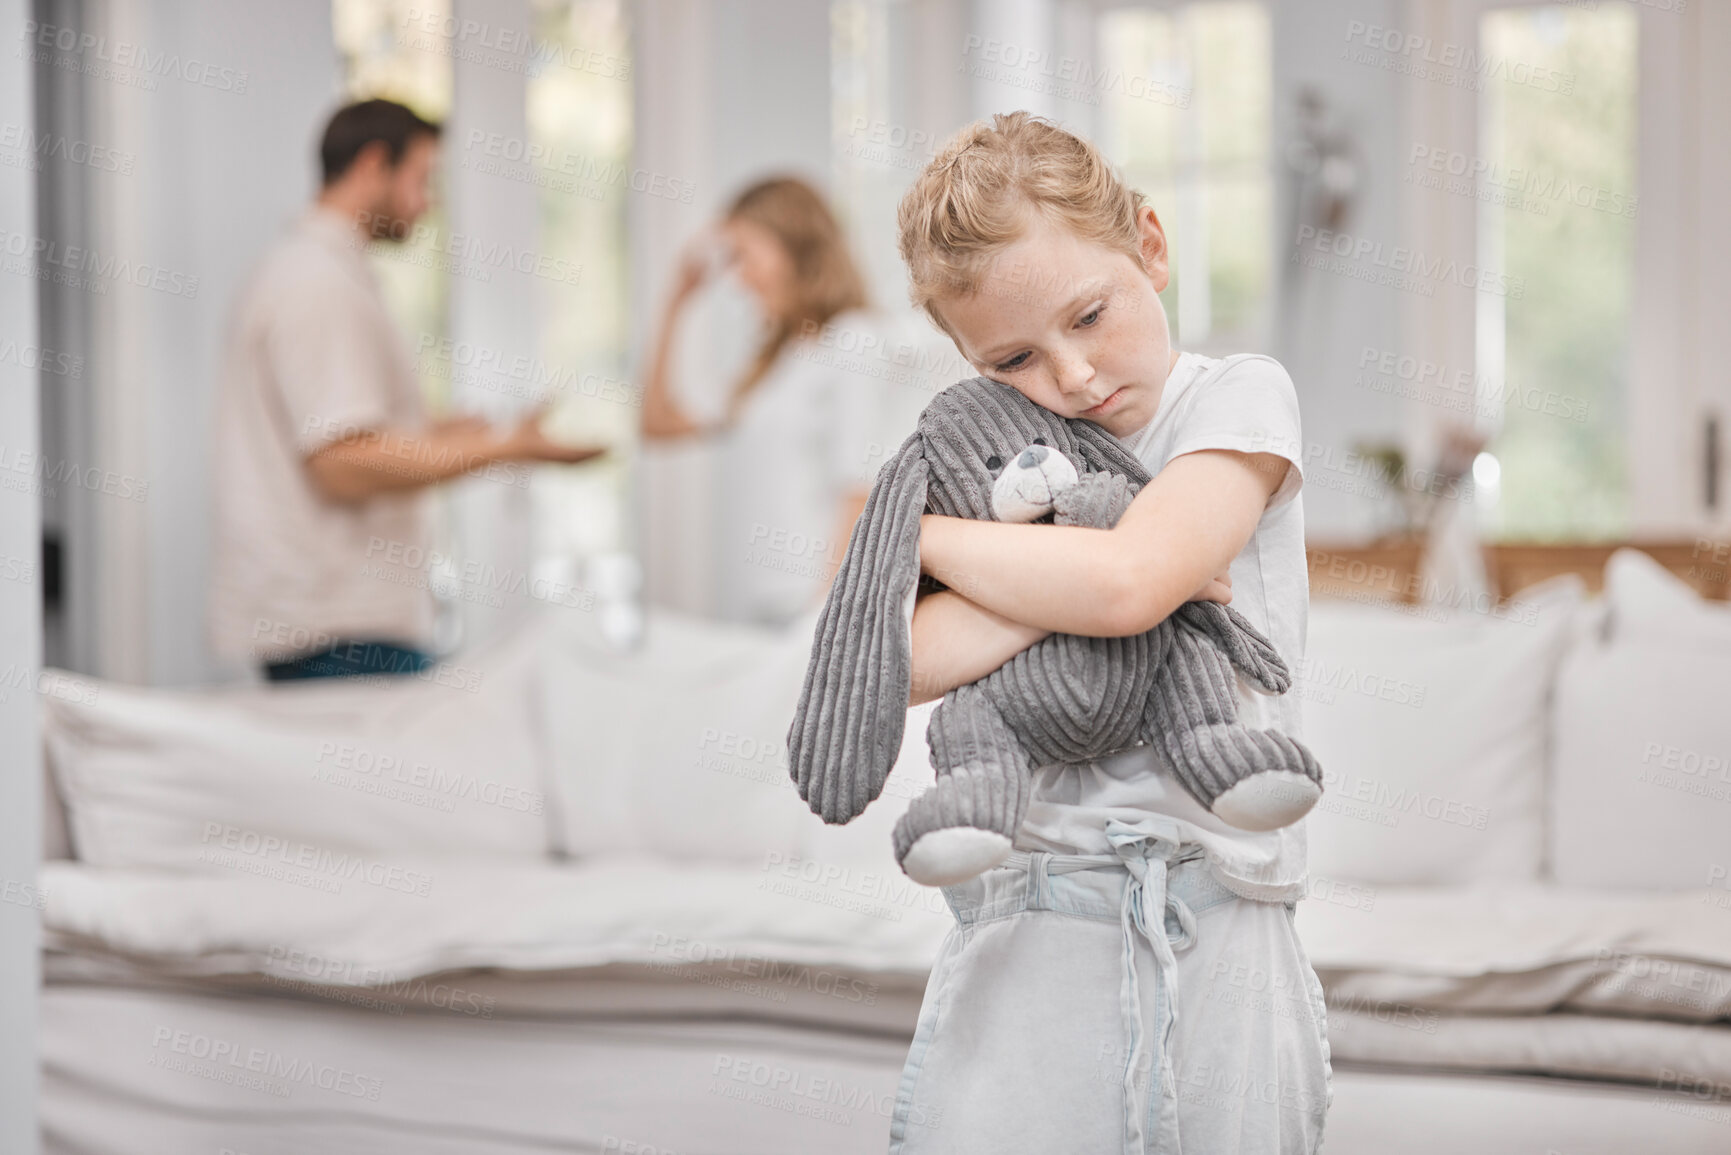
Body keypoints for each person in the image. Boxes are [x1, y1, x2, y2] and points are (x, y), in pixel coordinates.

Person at [887, 113, 1331, 1152]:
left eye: (1090, 315)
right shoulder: (986, 458)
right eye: (1015, 358)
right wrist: (1071, 566)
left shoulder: (1237, 398)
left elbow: (1129, 588)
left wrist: (953, 553)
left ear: (1152, 245)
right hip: (1027, 917)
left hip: (1219, 916)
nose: (1074, 378)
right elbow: (901, 660)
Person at [209, 99, 603, 681]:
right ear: (373, 165)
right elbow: (343, 462)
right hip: (340, 631)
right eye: (423, 179)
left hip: (342, 622)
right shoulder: (316, 284)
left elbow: (342, 429)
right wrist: (503, 451)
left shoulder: (322, 273)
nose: (429, 202)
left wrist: (444, 432)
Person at [641, 176, 915, 627]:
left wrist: (826, 618)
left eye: (744, 254)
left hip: (810, 609)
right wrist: (676, 302)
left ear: (795, 247)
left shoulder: (855, 340)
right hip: (758, 606)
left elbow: (859, 491)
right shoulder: (770, 362)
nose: (737, 276)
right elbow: (656, 424)